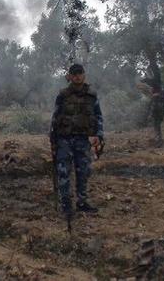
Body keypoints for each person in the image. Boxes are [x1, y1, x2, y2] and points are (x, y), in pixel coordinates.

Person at [49, 63, 104, 220]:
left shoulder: (91, 95)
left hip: (82, 139)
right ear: (70, 76)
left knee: (83, 172)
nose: (78, 76)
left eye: (80, 73)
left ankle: (82, 202)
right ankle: (66, 204)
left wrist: (99, 135)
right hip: (64, 140)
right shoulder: (63, 95)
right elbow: (55, 118)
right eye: (74, 74)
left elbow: (98, 117)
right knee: (64, 172)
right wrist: (53, 140)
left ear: (84, 75)